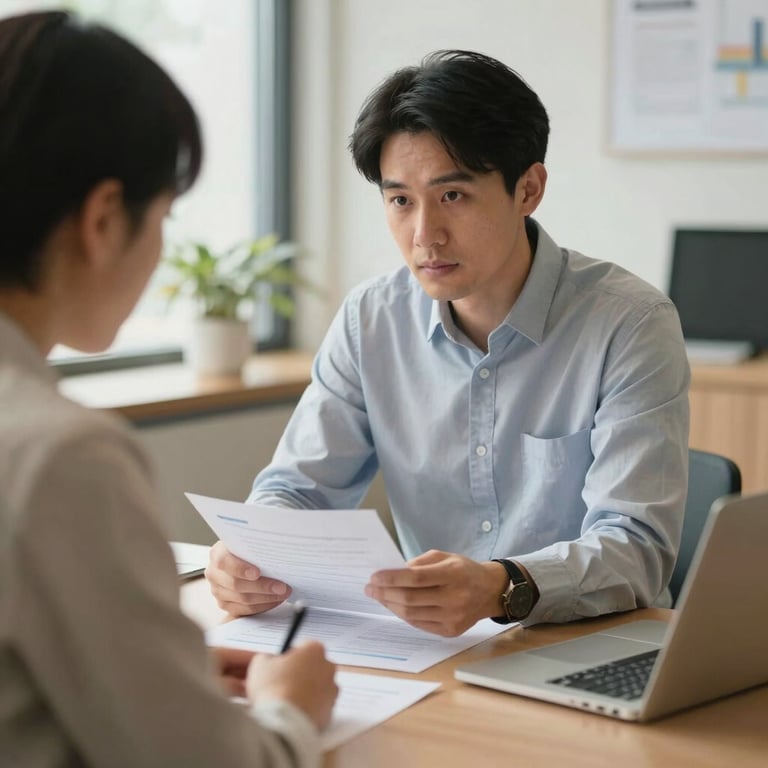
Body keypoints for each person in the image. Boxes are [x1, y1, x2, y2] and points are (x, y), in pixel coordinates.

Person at [206, 49, 690, 638]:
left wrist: (500, 585)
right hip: (432, 650)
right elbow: (297, 490)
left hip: (590, 644)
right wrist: (251, 551)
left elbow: (636, 546)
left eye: (453, 196)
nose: (424, 235)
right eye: (400, 200)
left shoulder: (629, 323)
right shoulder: (370, 320)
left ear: (528, 189)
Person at [0, 11, 337, 768]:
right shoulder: (61, 455)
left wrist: (159, 676)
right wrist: (292, 710)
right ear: (102, 218)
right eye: (164, 217)